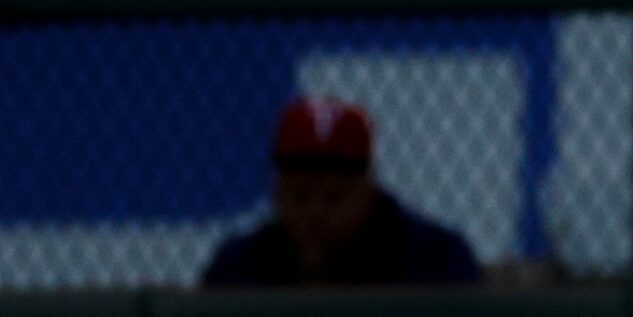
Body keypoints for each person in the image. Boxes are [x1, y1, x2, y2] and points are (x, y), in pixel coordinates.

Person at [201, 95, 483, 289]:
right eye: (300, 195)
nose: (316, 212)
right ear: (277, 194)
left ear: (367, 191)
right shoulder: (241, 268)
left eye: (334, 197)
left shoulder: (434, 262)